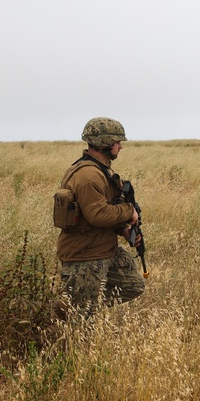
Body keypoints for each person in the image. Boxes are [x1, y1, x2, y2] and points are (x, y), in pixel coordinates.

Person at [56, 117, 145, 319]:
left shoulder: (99, 169)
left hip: (101, 248)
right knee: (82, 323)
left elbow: (96, 212)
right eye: (117, 142)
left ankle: (73, 305)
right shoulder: (88, 175)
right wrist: (128, 211)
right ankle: (73, 309)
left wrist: (122, 229)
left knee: (133, 285)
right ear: (104, 143)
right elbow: (97, 215)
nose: (120, 147)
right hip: (85, 254)